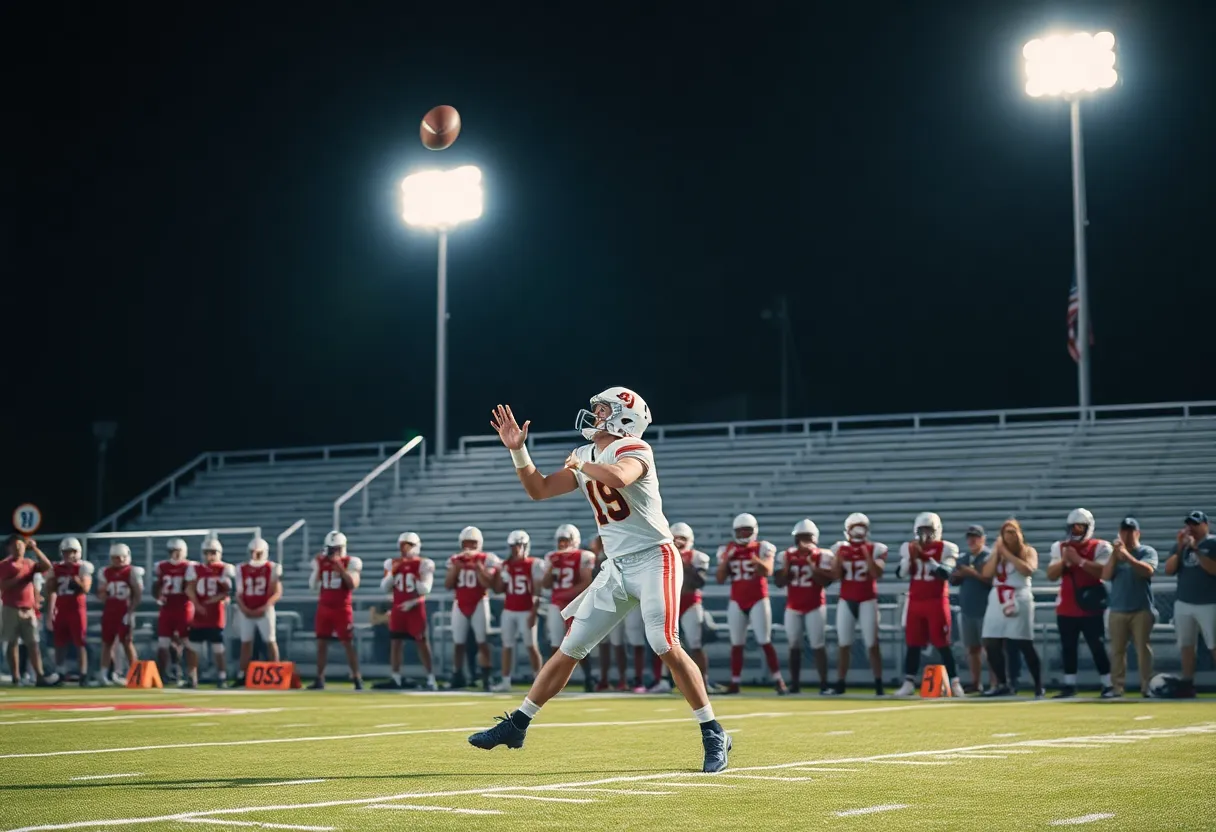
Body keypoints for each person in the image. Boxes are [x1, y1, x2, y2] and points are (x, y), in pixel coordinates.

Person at [468, 391, 730, 773]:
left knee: (663, 641)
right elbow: (538, 489)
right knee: (571, 646)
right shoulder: (586, 455)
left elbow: (620, 476)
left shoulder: (635, 448)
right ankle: (518, 724)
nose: (595, 415)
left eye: (604, 410)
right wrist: (518, 452)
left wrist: (582, 465)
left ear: (625, 418)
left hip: (655, 558)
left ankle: (713, 731)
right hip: (616, 566)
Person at [893, 513, 965, 698]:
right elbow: (900, 573)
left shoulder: (946, 548)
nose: (926, 534)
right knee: (913, 643)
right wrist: (910, 557)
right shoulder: (909, 548)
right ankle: (909, 682)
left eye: (929, 530)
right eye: (922, 530)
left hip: (936, 600)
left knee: (943, 643)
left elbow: (944, 572)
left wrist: (924, 556)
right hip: (916, 601)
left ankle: (955, 682)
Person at [716, 512, 787, 694]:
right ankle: (735, 682)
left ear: (754, 531)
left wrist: (755, 559)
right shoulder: (728, 549)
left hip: (758, 598)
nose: (743, 535)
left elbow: (768, 571)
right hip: (737, 599)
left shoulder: (763, 547)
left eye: (747, 531)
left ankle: (779, 680)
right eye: (740, 531)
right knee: (736, 643)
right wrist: (727, 561)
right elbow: (720, 578)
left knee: (765, 640)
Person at [1046, 508, 1114, 698]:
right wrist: (1064, 563)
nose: (1075, 531)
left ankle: (1107, 683)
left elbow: (1103, 572)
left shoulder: (1100, 547)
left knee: (1097, 646)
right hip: (1067, 606)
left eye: (1079, 527)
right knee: (1068, 647)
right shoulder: (1061, 547)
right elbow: (1051, 574)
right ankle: (1069, 684)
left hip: (1091, 605)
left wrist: (1080, 561)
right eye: (1073, 528)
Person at [980, 519, 1044, 697]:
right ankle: (1002, 683)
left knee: (1023, 642)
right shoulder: (997, 552)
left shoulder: (1028, 551)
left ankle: (1038, 684)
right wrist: (997, 553)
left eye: (1012, 532)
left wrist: (1008, 554)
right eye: (1006, 532)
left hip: (1019, 596)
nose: (1009, 536)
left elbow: (1028, 569)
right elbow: (986, 573)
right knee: (991, 641)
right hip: (998, 597)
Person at [829, 512, 888, 696]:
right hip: (846, 599)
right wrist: (839, 557)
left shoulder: (876, 548)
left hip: (867, 599)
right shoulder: (839, 548)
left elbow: (877, 573)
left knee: (872, 643)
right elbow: (835, 576)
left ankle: (878, 683)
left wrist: (865, 553)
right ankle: (840, 683)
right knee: (844, 643)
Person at [774, 519, 834, 694]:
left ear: (814, 538)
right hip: (793, 605)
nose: (803, 542)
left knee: (818, 644)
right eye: (800, 538)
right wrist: (787, 568)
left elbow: (825, 581)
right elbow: (779, 582)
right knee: (793, 645)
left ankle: (823, 683)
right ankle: (795, 684)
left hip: (815, 605)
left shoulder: (823, 555)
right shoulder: (786, 556)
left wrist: (810, 564)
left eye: (806, 537)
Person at [1102, 517, 1157, 698]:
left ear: (1137, 533)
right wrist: (1115, 555)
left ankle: (1146, 685)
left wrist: (1128, 557)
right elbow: (1106, 575)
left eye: (1130, 531)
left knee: (1143, 649)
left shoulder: (1146, 551)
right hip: (1118, 609)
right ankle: (1117, 687)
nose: (1127, 535)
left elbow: (1147, 571)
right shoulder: (1116, 555)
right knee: (1117, 650)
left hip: (1141, 608)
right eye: (1124, 531)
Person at [1164, 510, 1215, 698]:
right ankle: (1187, 683)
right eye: (1189, 524)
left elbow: (1213, 569)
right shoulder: (1182, 546)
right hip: (1184, 601)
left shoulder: (1212, 543)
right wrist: (1180, 546)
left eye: (1195, 524)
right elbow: (1169, 569)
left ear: (1205, 525)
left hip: (1209, 602)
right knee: (1186, 644)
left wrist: (1196, 549)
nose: (1191, 528)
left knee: (1213, 644)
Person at [376, 532, 437, 690]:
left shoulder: (424, 563)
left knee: (422, 643)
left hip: (415, 608)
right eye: (402, 545)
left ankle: (431, 678)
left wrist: (413, 575)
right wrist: (394, 573)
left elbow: (425, 588)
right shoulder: (392, 563)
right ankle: (396, 677)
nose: (404, 549)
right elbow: (384, 587)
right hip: (398, 608)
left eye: (408, 545)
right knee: (396, 643)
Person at [444, 527, 500, 691]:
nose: (469, 546)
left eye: (472, 543)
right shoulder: (455, 560)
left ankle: (486, 678)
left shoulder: (487, 559)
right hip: (460, 602)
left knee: (482, 642)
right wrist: (456, 569)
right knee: (458, 643)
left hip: (479, 601)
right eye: (466, 543)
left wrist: (479, 569)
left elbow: (488, 583)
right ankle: (457, 674)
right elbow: (448, 584)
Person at [488, 530, 545, 691]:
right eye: (514, 546)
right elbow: (498, 589)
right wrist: (499, 574)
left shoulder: (534, 564)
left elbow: (537, 591)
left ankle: (538, 680)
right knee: (507, 645)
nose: (516, 549)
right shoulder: (505, 565)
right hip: (509, 609)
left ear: (525, 546)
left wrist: (534, 612)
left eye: (519, 545)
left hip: (526, 609)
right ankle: (506, 681)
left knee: (531, 646)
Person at [656, 522, 710, 692]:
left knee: (695, 643)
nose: (679, 541)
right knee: (665, 644)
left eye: (682, 539)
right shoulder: (662, 555)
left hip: (690, 602)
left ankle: (704, 681)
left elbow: (699, 582)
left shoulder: (697, 557)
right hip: (670, 602)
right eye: (675, 538)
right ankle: (665, 680)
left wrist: (683, 563)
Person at [543, 524, 596, 691]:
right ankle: (552, 680)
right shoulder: (551, 557)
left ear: (574, 541)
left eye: (566, 540)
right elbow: (545, 584)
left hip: (576, 604)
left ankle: (588, 678)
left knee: (578, 642)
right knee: (555, 643)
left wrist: (566, 594)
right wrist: (552, 567)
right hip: (557, 604)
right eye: (561, 541)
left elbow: (586, 581)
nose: (563, 544)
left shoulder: (583, 556)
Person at [308, 531, 364, 690]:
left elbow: (353, 584)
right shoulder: (321, 561)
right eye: (331, 549)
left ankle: (357, 677)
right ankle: (319, 678)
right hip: (324, 606)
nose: (334, 552)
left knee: (347, 643)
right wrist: (318, 569)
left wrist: (341, 569)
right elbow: (313, 586)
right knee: (321, 644)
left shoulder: (350, 562)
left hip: (342, 608)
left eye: (337, 549)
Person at [1, 535, 59, 686]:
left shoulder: (29, 563)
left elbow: (47, 566)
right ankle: (16, 677)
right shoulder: (4, 565)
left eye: (20, 545)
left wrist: (35, 549)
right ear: (9, 548)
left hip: (29, 609)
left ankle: (39, 676)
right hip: (11, 607)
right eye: (14, 546)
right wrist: (20, 577)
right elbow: (3, 586)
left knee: (33, 643)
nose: (18, 549)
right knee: (12, 643)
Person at [184, 538, 236, 688]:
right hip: (199, 613)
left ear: (219, 553)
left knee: (218, 647)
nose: (210, 556)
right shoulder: (195, 568)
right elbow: (189, 588)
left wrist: (213, 600)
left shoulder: (225, 568)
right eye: (207, 553)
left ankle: (222, 676)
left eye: (213, 552)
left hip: (215, 613)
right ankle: (192, 677)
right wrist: (197, 604)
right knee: (193, 647)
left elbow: (228, 591)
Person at [950, 525, 993, 692]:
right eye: (970, 537)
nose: (972, 540)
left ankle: (995, 682)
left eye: (975, 537)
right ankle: (976, 683)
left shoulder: (988, 557)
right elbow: (954, 578)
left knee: (990, 648)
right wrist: (967, 573)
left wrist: (971, 573)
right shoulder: (964, 557)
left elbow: (988, 578)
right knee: (972, 648)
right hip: (967, 608)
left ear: (983, 538)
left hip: (985, 608)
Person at [235, 537, 282, 686]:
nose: (255, 556)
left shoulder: (272, 567)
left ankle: (276, 673)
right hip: (246, 610)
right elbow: (238, 593)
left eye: (258, 553)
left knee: (270, 641)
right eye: (252, 552)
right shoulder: (241, 568)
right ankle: (242, 674)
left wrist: (265, 606)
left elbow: (277, 591)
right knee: (245, 643)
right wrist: (244, 608)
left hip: (265, 610)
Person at [45, 537, 92, 686]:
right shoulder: (56, 568)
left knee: (80, 642)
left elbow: (85, 589)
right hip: (62, 608)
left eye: (72, 552)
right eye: (66, 552)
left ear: (78, 552)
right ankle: (60, 671)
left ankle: (83, 674)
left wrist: (75, 579)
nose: (69, 556)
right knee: (60, 643)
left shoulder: (83, 567)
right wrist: (51, 580)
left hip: (77, 609)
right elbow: (50, 589)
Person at [96, 542, 143, 685]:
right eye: (116, 557)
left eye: (122, 557)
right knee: (107, 643)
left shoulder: (132, 571)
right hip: (110, 611)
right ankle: (104, 674)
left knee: (127, 642)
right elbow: (101, 595)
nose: (120, 560)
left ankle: (136, 675)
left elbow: (138, 593)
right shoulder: (105, 572)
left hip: (125, 611)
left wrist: (130, 612)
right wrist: (103, 592)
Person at [153, 538, 194, 683]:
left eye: (177, 551)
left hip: (184, 607)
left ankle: (191, 675)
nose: (175, 554)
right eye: (172, 551)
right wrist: (158, 597)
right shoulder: (161, 566)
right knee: (163, 643)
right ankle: (161, 675)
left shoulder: (190, 566)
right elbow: (156, 585)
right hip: (167, 607)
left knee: (188, 642)